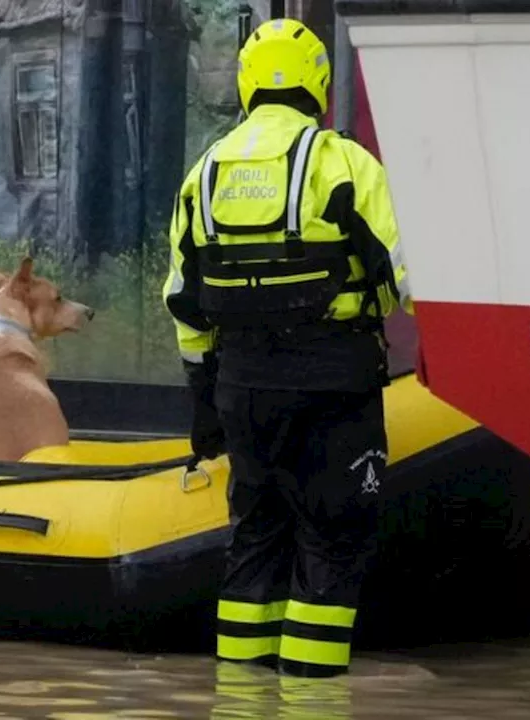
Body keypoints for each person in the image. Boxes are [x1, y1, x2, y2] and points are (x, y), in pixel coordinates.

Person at [161, 18, 412, 678]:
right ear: (318, 86)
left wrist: (202, 403)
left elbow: (184, 302)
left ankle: (239, 699)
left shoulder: (204, 175)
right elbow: (404, 277)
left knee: (255, 539)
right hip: (335, 383)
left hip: (242, 389)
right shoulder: (343, 164)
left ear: (246, 86)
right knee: (333, 542)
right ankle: (313, 702)